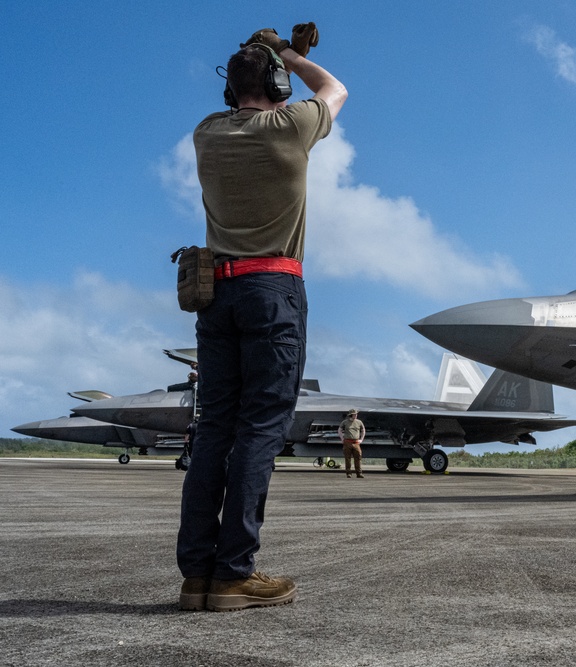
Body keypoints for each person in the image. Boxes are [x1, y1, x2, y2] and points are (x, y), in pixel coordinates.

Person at [176, 24, 347, 613]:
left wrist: (266, 58)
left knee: (214, 431)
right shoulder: (292, 126)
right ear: (277, 84)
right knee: (259, 430)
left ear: (230, 91)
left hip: (215, 296)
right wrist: (290, 54)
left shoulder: (206, 133)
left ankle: (197, 575)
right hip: (273, 290)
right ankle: (233, 573)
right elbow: (335, 89)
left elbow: (248, 103)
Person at [338, 408, 366, 478]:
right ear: (351, 415)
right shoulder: (345, 422)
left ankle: (359, 473)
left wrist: (361, 439)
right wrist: (342, 439)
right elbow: (339, 430)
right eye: (354, 414)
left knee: (358, 457)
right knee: (348, 458)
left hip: (356, 442)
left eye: (356, 414)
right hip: (347, 442)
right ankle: (348, 473)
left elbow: (363, 430)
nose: (356, 415)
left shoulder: (359, 422)